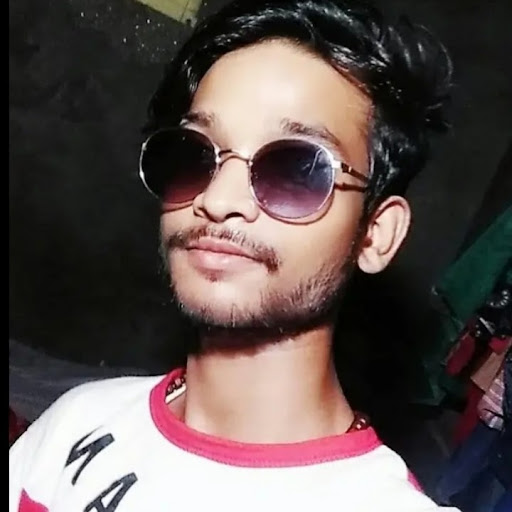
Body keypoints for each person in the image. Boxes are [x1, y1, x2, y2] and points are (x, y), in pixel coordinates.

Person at [9, 0, 460, 510]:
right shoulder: (74, 423)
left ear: (375, 235)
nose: (218, 199)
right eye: (195, 154)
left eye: (297, 168)